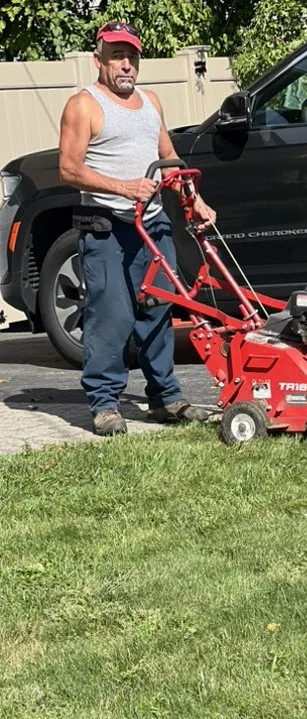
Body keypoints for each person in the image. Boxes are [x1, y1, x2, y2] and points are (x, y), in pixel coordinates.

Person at [58, 21, 217, 436]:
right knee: (111, 316)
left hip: (153, 225)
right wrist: (123, 186)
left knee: (158, 311)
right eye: (117, 57)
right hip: (108, 227)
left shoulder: (151, 102)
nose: (126, 65)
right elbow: (69, 168)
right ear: (99, 60)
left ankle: (166, 397)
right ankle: (105, 403)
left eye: (132, 57)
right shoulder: (84, 105)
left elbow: (169, 155)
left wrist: (193, 200)